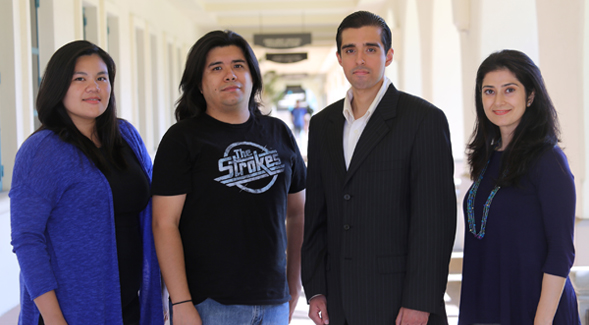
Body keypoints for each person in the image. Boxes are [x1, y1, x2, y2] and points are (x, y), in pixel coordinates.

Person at [301, 10, 457, 325]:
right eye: (350, 50)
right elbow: (317, 214)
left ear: (388, 56)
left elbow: (434, 221)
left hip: (400, 301)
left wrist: (420, 301)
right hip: (339, 300)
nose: (360, 58)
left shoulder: (423, 120)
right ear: (339, 58)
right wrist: (316, 288)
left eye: (371, 49)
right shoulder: (322, 125)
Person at [151, 30, 306, 325]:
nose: (229, 75)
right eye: (216, 68)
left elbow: (298, 213)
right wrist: (181, 301)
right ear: (199, 83)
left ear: (252, 77)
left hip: (273, 300)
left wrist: (293, 283)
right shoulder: (182, 139)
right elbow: (163, 223)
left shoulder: (279, 132)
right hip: (209, 304)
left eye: (238, 65)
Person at [10, 40, 163, 325]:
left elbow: (154, 209)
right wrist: (55, 319)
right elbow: (27, 240)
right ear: (58, 87)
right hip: (72, 312)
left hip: (131, 304)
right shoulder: (42, 151)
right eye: (80, 78)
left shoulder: (126, 136)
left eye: (101, 78)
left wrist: (160, 292)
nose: (94, 87)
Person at [458, 50, 581, 324]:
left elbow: (561, 250)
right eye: (489, 91)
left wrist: (541, 321)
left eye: (509, 90)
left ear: (530, 96)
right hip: (488, 303)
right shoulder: (488, 156)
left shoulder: (548, 161)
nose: (498, 101)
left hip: (536, 309)